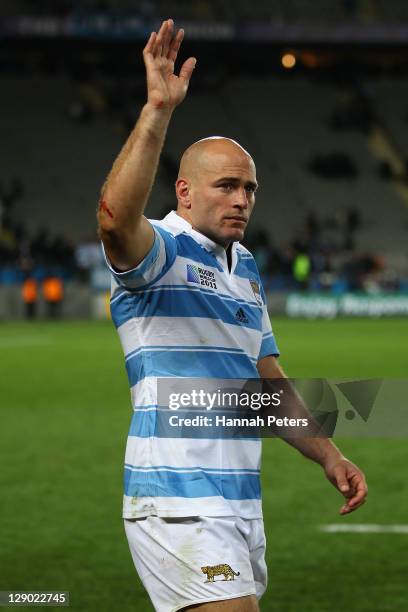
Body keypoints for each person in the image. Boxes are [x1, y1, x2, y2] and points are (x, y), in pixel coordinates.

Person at [98, 19, 368, 612]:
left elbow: (265, 384)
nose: (242, 199)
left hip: (237, 500)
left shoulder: (243, 266)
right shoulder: (162, 251)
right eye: (226, 186)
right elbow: (115, 221)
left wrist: (330, 454)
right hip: (175, 497)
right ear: (185, 193)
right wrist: (158, 112)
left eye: (250, 188)